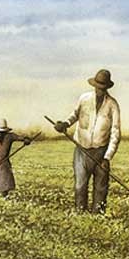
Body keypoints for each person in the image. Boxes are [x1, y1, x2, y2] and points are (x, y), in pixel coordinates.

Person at [54, 69, 121, 213]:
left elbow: (115, 133)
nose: (99, 90)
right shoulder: (84, 99)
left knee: (101, 187)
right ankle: (80, 212)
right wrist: (65, 124)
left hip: (101, 151)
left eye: (102, 88)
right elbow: (74, 115)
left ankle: (98, 214)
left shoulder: (112, 105)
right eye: (98, 87)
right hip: (81, 150)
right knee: (80, 184)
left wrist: (107, 157)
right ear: (94, 85)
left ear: (107, 88)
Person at [0, 118, 31, 198]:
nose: (0, 134)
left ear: (5, 132)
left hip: (4, 163)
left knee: (5, 181)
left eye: (2, 132)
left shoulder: (9, 137)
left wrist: (26, 140)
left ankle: (5, 196)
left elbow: (19, 138)